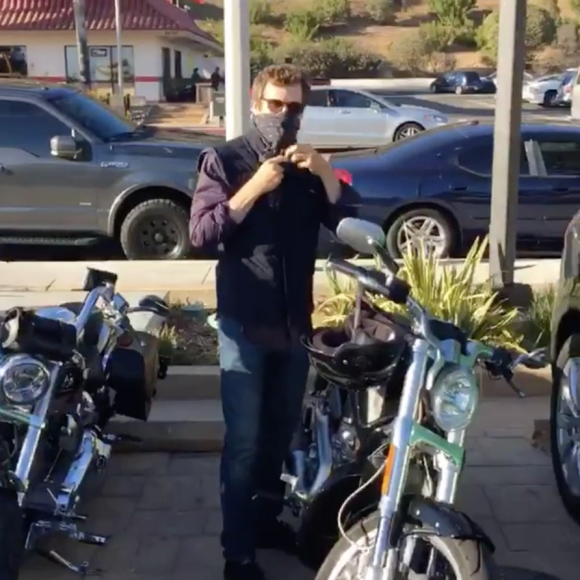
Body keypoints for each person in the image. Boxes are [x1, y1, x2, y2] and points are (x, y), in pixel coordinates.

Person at [189, 64, 359, 580]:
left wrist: (326, 171)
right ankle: (237, 553)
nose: (284, 117)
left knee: (280, 435)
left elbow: (349, 223)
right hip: (245, 323)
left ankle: (264, 521)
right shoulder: (223, 159)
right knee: (242, 442)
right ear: (254, 102)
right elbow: (201, 233)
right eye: (275, 105)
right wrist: (253, 188)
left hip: (294, 325)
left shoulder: (310, 171)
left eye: (295, 108)